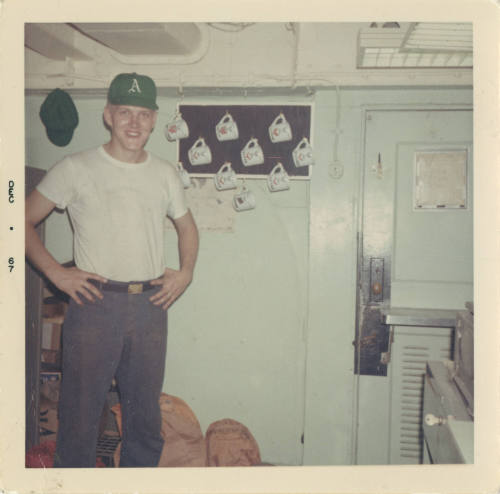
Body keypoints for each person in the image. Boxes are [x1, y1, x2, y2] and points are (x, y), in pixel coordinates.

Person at [25, 72, 199, 468]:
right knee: (80, 418)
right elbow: (18, 220)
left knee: (145, 420)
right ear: (107, 116)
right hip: (94, 306)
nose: (134, 123)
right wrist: (56, 273)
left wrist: (185, 272)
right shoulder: (75, 167)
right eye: (124, 113)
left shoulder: (164, 174)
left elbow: (187, 227)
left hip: (150, 307)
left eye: (142, 114)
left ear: (154, 119)